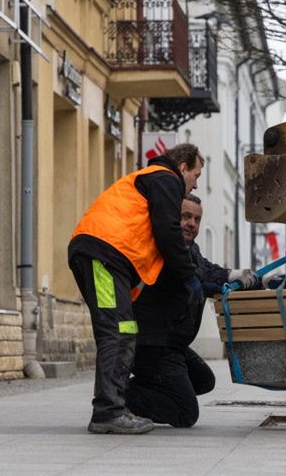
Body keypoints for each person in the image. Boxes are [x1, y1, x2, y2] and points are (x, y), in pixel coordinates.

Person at [69, 144, 204, 435]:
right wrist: (188, 275)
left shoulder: (153, 179)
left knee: (123, 329)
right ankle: (108, 411)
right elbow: (167, 232)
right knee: (117, 331)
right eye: (196, 174)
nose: (194, 183)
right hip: (102, 255)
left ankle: (112, 406)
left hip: (104, 256)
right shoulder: (166, 178)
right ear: (183, 167)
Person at [126, 194, 255, 428]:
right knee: (186, 414)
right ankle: (120, 394)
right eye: (185, 216)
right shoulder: (161, 246)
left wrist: (255, 279)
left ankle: (145, 386)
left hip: (173, 345)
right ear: (171, 216)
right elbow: (193, 280)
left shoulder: (189, 249)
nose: (192, 224)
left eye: (196, 219)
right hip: (153, 345)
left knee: (204, 380)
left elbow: (205, 269)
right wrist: (224, 282)